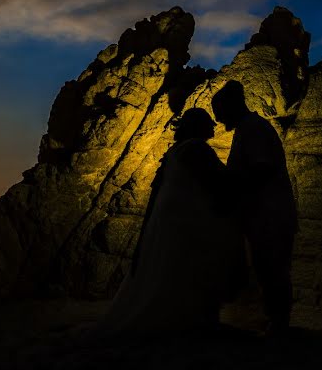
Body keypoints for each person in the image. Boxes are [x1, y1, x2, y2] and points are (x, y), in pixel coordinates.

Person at [103, 108, 246, 334]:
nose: (214, 125)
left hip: (171, 218)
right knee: (188, 267)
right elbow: (219, 181)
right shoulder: (197, 148)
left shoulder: (175, 151)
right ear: (198, 126)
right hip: (188, 221)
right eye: (209, 122)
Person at [211, 80, 298, 336]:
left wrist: (233, 191)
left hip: (270, 214)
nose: (218, 120)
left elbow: (262, 168)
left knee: (273, 268)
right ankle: (274, 320)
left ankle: (279, 324)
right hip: (262, 214)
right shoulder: (246, 129)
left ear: (231, 106)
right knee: (266, 268)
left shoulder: (254, 129)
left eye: (220, 113)